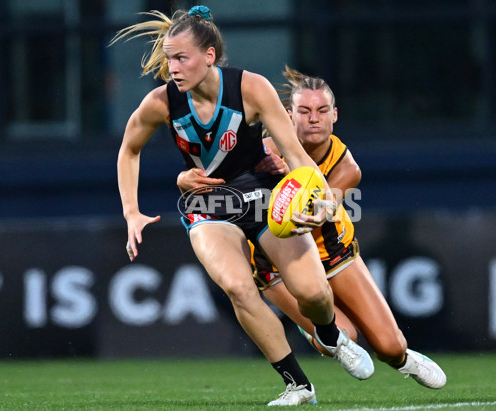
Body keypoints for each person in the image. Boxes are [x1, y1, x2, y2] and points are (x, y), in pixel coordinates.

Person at [112, 6, 373, 406]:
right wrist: (131, 210)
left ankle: (330, 334)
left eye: (181, 57)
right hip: (208, 205)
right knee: (237, 286)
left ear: (210, 56)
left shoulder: (250, 88)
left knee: (314, 294)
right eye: (169, 58)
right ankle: (298, 385)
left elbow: (296, 156)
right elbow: (129, 150)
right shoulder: (161, 102)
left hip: (265, 197)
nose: (173, 67)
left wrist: (321, 203)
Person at [179, 66, 447, 390]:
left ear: (335, 115)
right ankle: (322, 333)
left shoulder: (346, 167)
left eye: (322, 110)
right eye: (304, 111)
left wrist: (296, 187)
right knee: (342, 336)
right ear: (288, 115)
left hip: (333, 255)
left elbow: (324, 206)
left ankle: (404, 359)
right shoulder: (260, 152)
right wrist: (184, 179)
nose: (313, 119)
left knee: (390, 347)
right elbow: (213, 181)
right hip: (278, 266)